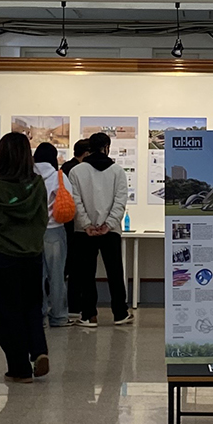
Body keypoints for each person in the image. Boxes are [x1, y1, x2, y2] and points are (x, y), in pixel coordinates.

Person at [0, 131, 50, 383]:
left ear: (1, 156)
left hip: (2, 255)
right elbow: (43, 219)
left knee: (5, 312)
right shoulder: (36, 184)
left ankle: (19, 368)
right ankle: (39, 350)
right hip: (32, 255)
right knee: (32, 306)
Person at [66, 130, 131, 327]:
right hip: (110, 231)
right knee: (115, 272)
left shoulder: (77, 171)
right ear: (106, 147)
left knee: (86, 274)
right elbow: (120, 202)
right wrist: (109, 224)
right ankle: (120, 313)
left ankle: (89, 315)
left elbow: (76, 202)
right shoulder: (117, 171)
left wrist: (87, 224)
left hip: (84, 232)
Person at [34, 142, 72, 329]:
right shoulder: (59, 176)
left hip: (32, 232)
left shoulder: (28, 176)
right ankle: (59, 316)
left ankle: (38, 317)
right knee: (56, 276)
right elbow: (70, 200)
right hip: (55, 229)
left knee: (36, 277)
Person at [63, 138, 93, 319]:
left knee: (69, 268)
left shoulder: (65, 168)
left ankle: (70, 306)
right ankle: (74, 306)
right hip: (74, 226)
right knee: (76, 268)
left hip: (65, 224)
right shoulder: (76, 171)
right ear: (87, 153)